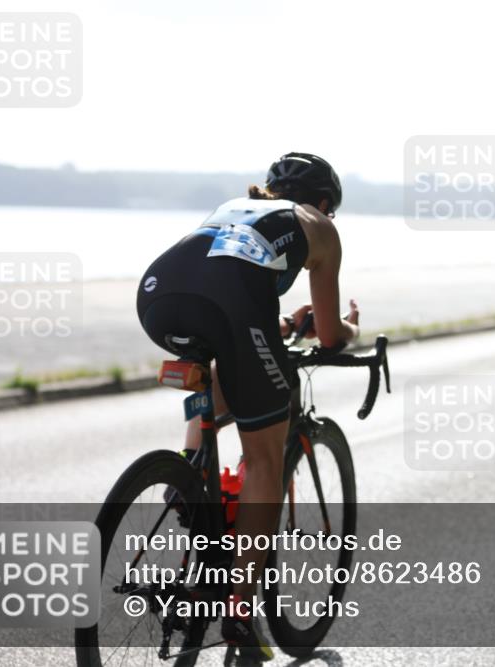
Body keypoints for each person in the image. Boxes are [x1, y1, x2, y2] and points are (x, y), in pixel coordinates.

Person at [136, 152, 358, 663]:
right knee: (264, 457)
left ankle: (189, 481)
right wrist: (351, 327)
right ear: (324, 203)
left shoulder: (241, 206)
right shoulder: (319, 225)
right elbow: (328, 335)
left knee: (220, 381)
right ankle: (239, 606)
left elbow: (226, 282)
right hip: (231, 304)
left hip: (158, 295)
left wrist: (276, 328)